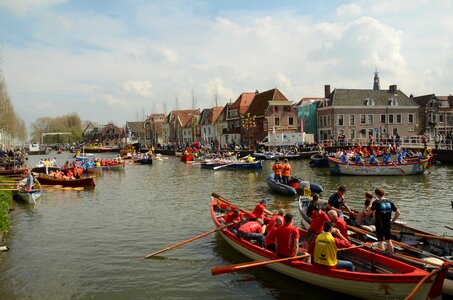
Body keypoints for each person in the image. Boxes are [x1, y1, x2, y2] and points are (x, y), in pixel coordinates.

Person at [370, 188, 400, 252]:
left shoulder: (376, 202)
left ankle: (383, 255)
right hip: (387, 224)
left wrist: (371, 202)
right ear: (384, 194)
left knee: (380, 241)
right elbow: (398, 213)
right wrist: (392, 221)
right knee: (388, 240)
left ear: (376, 194)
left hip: (379, 225)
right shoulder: (390, 202)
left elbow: (369, 212)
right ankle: (392, 255)